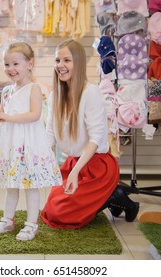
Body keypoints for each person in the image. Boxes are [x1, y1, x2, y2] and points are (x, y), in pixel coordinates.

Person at [40, 39, 139, 229]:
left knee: (61, 214)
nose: (60, 66)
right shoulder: (55, 95)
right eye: (57, 60)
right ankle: (112, 196)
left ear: (78, 62)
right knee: (51, 209)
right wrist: (40, 161)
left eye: (66, 60)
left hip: (97, 165)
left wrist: (75, 173)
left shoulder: (91, 92)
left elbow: (95, 140)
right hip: (73, 163)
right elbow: (50, 133)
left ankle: (117, 198)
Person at [0, 42, 63, 241]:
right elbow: (7, 112)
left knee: (30, 183)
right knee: (12, 182)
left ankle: (31, 223)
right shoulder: (6, 90)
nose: (11, 69)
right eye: (7, 64)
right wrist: (1, 117)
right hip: (11, 142)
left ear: (30, 64)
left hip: (29, 143)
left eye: (16, 64)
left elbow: (34, 115)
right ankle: (7, 220)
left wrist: (7, 117)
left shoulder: (33, 88)